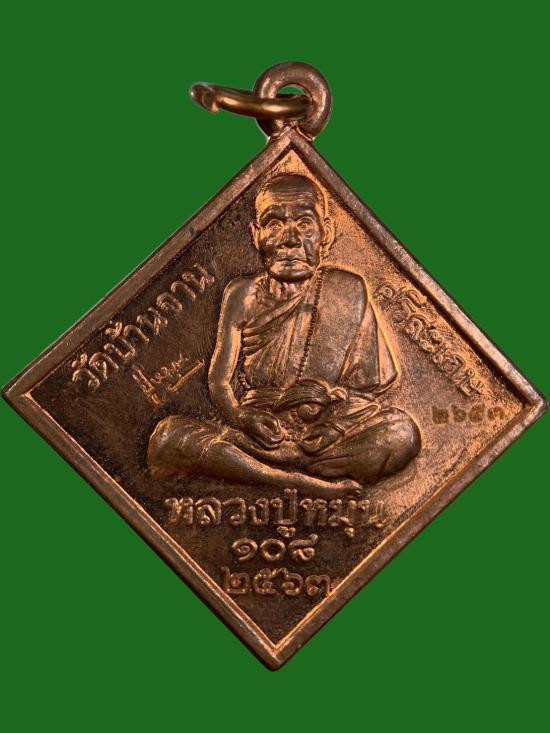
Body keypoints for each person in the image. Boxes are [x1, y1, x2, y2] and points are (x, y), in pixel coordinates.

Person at [148, 174, 420, 496]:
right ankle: (294, 481)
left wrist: (334, 428)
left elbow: (365, 390)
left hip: (322, 437)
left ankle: (264, 472)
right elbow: (220, 382)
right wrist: (241, 416)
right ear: (256, 234)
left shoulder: (348, 289)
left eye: (304, 223)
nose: (290, 239)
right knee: (168, 437)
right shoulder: (242, 294)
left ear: (326, 233)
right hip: (259, 434)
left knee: (401, 434)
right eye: (274, 223)